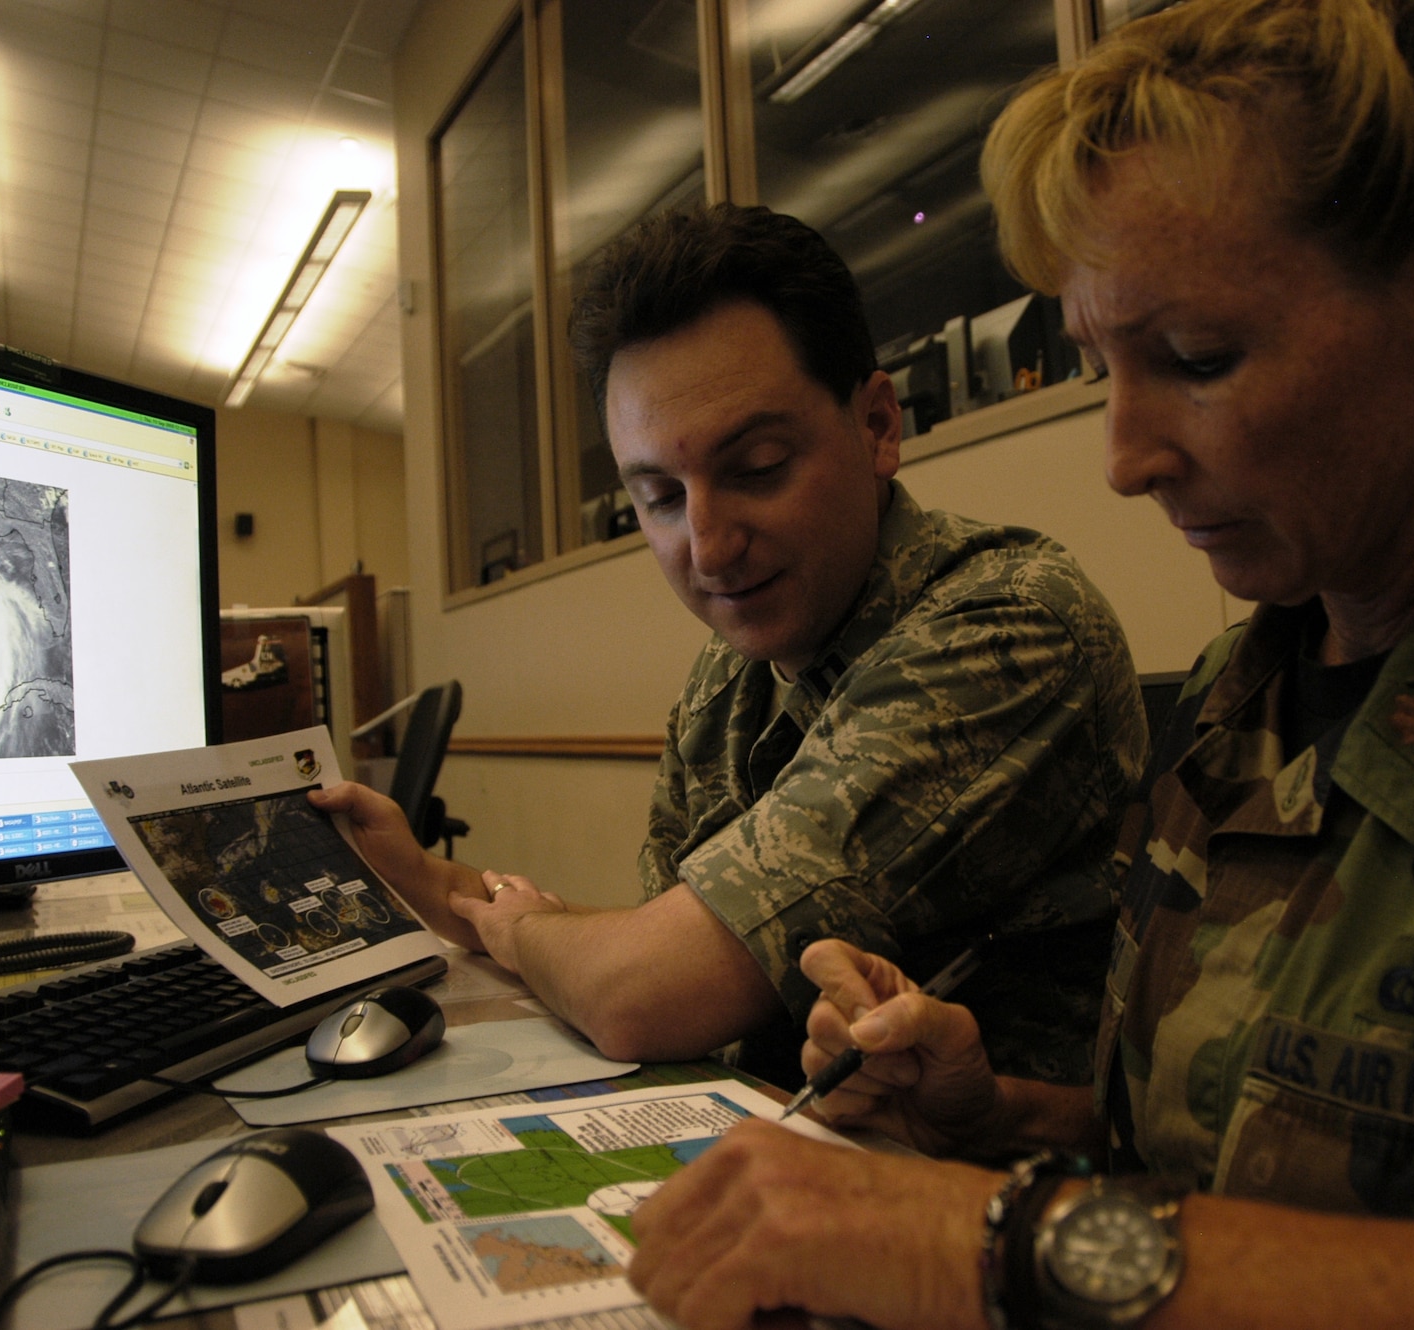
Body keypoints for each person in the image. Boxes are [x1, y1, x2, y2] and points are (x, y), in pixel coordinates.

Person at [622, 1, 1414, 1326]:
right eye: (1101, 368)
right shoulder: (1228, 711)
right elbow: (1212, 1171)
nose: (1126, 457)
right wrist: (989, 1118)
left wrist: (987, 1244)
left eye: (1199, 359)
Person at [314, 203, 1147, 1089]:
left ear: (877, 427)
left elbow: (644, 994)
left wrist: (522, 931)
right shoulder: (735, 674)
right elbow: (676, 940)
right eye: (662, 497)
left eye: (755, 469)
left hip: (989, 1188)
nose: (708, 549)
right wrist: (429, 881)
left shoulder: (1004, 630)